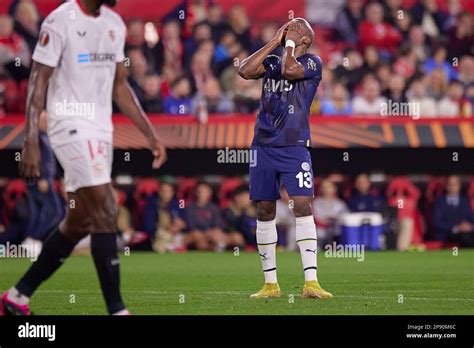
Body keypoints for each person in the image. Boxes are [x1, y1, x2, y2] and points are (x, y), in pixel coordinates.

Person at [0, 0, 167, 316]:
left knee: (78, 222)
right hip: (68, 125)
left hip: (101, 130)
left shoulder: (114, 24)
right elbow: (37, 83)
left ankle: (16, 298)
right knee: (106, 207)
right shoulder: (60, 20)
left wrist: (150, 133)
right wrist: (31, 139)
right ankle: (117, 310)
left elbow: (120, 87)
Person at [238, 18, 332, 299]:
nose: (290, 26)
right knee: (265, 209)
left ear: (306, 39)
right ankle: (270, 285)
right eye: (288, 25)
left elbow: (291, 71)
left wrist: (288, 44)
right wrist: (273, 43)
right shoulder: (273, 59)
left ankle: (311, 282)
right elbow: (244, 70)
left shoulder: (313, 63)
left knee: (302, 204)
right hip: (263, 145)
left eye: (297, 27)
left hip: (294, 145)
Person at [433, 175, 474, 247]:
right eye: (450, 184)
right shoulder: (439, 202)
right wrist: (456, 228)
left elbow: (471, 217)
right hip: (448, 234)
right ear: (446, 186)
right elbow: (437, 223)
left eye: (455, 184)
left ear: (459, 186)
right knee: (465, 238)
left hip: (467, 233)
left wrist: (469, 226)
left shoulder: (465, 201)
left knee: (467, 236)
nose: (452, 187)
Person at [184, 182, 226, 251]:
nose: (201, 194)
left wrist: (208, 233)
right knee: (198, 240)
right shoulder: (190, 208)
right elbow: (190, 225)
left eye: (204, 192)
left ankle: (218, 249)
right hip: (195, 234)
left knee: (217, 234)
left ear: (209, 193)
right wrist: (200, 233)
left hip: (210, 233)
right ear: (196, 193)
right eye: (199, 192)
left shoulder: (214, 208)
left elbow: (217, 224)